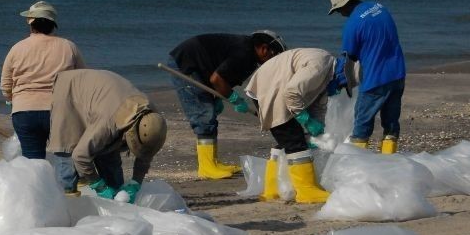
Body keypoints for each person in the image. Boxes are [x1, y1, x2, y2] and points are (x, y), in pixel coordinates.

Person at [168, 31, 286, 179]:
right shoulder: (244, 53)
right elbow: (217, 79)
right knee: (204, 115)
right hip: (186, 64)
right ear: (264, 48)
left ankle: (213, 162)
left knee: (209, 113)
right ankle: (207, 167)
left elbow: (225, 78)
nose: (273, 61)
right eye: (274, 55)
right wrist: (234, 98)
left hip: (203, 67)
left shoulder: (250, 57)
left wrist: (218, 98)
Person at [47, 69, 168, 202]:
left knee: (111, 165)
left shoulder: (154, 119)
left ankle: (113, 200)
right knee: (68, 159)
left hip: (104, 98)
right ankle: (68, 207)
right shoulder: (108, 123)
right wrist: (98, 185)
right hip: (70, 93)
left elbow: (146, 151)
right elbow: (80, 156)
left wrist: (136, 182)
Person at [244, 47, 335, 204]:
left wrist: (316, 129)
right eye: (342, 86)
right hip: (270, 88)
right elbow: (292, 92)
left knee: (286, 139)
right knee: (294, 141)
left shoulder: (327, 71)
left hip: (271, 84)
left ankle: (273, 189)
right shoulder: (320, 65)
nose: (339, 90)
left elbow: (318, 105)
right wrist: (305, 119)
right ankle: (306, 190)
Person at [0, 0, 85, 161]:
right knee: (64, 159)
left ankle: (35, 186)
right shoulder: (68, 47)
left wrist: (11, 99)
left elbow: (5, 85)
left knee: (33, 162)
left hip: (24, 111)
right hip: (60, 110)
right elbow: (82, 79)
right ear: (53, 24)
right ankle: (67, 187)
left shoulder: (17, 48)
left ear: (31, 24)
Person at [327, 0, 407, 153]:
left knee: (361, 125)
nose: (340, 15)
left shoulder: (352, 24)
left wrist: (346, 85)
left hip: (375, 80)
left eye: (339, 11)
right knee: (391, 124)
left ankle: (357, 167)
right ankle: (389, 162)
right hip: (398, 74)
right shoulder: (379, 7)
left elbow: (349, 60)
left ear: (345, 6)